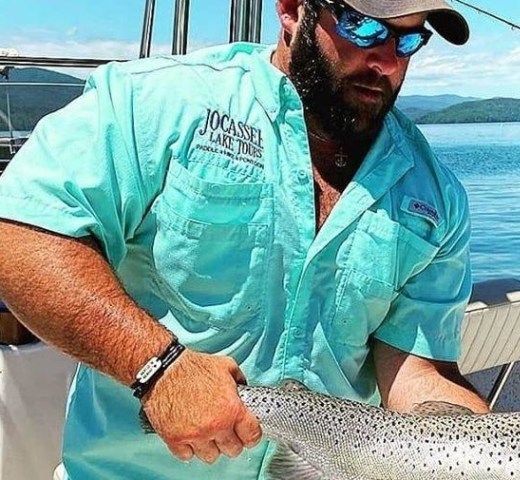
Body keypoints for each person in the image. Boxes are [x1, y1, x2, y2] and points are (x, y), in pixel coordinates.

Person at [0, 0, 489, 478]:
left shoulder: (435, 196)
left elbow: (418, 371)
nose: (386, 61)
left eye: (408, 39)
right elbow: (18, 232)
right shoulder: (159, 104)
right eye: (364, 29)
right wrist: (159, 369)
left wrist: (487, 452)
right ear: (293, 10)